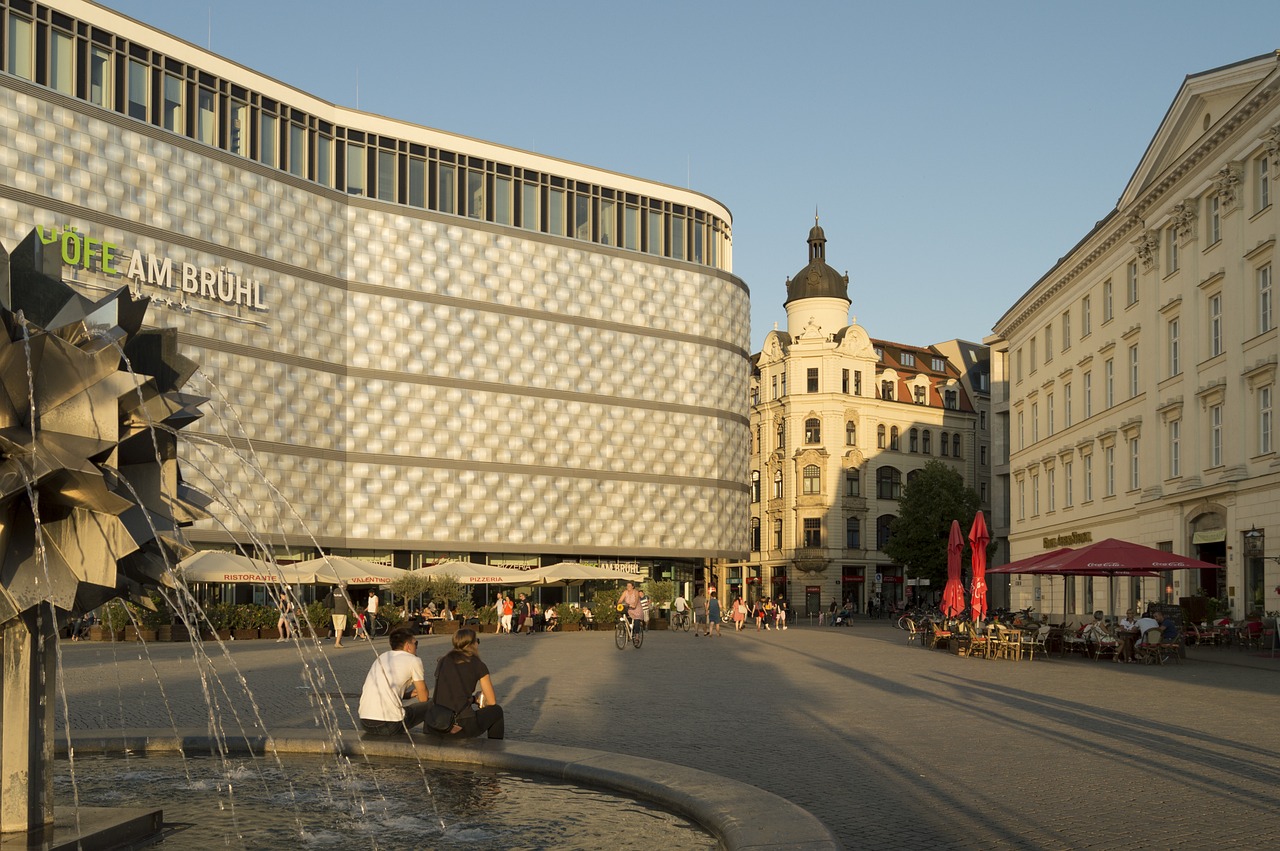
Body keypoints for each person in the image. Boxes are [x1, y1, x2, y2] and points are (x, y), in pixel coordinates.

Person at [429, 628, 504, 739]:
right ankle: (495, 747)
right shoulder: (478, 665)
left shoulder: (443, 661)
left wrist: (473, 699)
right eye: (477, 641)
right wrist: (480, 699)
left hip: (436, 721)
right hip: (460, 725)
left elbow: (452, 692)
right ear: (472, 644)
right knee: (497, 711)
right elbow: (492, 701)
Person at [357, 628, 430, 736]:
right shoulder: (414, 660)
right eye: (416, 643)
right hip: (389, 725)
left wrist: (408, 695)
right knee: (432, 704)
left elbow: (386, 690)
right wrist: (421, 693)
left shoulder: (382, 657)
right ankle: (433, 738)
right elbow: (424, 698)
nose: (416, 647)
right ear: (407, 646)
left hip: (365, 722)